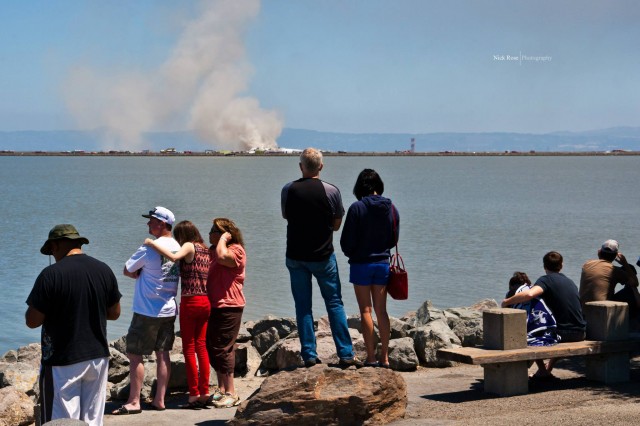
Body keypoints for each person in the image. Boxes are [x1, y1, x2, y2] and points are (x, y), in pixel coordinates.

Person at [26, 224, 121, 425]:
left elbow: (32, 321)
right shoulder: (103, 269)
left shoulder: (51, 275)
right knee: (93, 420)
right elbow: (115, 313)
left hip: (63, 361)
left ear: (57, 245)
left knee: (61, 421)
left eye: (51, 249)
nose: (52, 254)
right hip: (97, 357)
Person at [281, 148, 360, 368]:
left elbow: (285, 215)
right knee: (334, 303)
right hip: (323, 256)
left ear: (300, 167)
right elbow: (336, 224)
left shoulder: (288, 189)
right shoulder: (331, 190)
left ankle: (309, 354)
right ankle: (345, 353)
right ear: (321, 167)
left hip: (295, 256)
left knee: (303, 306)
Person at [114, 206, 180, 415]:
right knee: (163, 354)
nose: (148, 224)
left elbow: (127, 269)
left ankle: (134, 401)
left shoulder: (150, 247)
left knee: (135, 355)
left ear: (162, 224)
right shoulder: (177, 246)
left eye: (151, 221)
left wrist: (140, 275)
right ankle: (160, 399)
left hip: (146, 310)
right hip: (169, 308)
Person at [144, 220, 212, 409]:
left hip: (191, 301)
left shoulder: (190, 246)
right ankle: (205, 392)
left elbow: (173, 257)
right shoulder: (206, 249)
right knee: (202, 347)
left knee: (189, 348)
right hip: (206, 301)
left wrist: (152, 244)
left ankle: (193, 394)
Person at [340, 168, 399, 368]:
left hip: (360, 264)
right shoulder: (391, 208)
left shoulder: (356, 208)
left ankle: (371, 357)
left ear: (360, 187)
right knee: (382, 311)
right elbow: (394, 238)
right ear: (378, 186)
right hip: (382, 263)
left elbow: (346, 241)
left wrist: (354, 253)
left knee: (366, 310)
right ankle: (385, 358)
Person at [502, 252, 586, 378]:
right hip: (581, 332)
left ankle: (541, 370)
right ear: (561, 265)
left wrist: (507, 302)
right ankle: (547, 369)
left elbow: (530, 295)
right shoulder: (569, 281)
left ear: (544, 266)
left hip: (562, 334)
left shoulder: (545, 280)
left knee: (530, 332)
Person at [206, 218, 246, 408]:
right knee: (212, 347)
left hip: (230, 306)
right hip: (213, 305)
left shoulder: (235, 250)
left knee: (223, 348)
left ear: (225, 234)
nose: (210, 233)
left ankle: (232, 392)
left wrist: (223, 240)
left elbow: (224, 258)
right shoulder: (212, 251)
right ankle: (222, 389)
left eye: (214, 230)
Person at [579, 239, 640, 321]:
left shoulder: (587, 264)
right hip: (601, 310)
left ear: (599, 252)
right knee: (630, 290)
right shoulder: (614, 270)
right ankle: (632, 323)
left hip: (582, 309)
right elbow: (635, 283)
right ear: (616, 256)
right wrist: (625, 263)